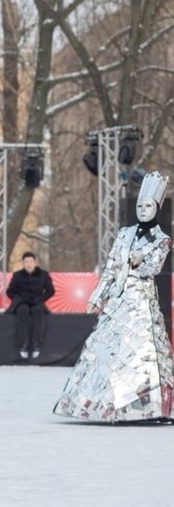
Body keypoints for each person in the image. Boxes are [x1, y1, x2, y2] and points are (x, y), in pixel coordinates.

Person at [54, 171, 174, 422]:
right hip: (119, 302)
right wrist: (98, 296)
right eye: (140, 205)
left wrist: (140, 261)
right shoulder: (124, 234)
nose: (143, 210)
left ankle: (149, 407)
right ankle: (108, 405)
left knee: (143, 354)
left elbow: (152, 269)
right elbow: (111, 268)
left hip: (142, 303)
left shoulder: (162, 240)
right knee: (107, 353)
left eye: (148, 205)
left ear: (157, 208)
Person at [5, 252, 55, 359]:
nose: (28, 264)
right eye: (26, 262)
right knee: (22, 310)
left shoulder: (43, 274)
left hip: (37, 301)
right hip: (22, 302)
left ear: (35, 262)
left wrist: (41, 299)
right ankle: (23, 344)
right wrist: (17, 299)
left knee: (38, 311)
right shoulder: (17, 275)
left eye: (31, 262)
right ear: (23, 263)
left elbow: (51, 291)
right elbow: (10, 291)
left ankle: (37, 343)